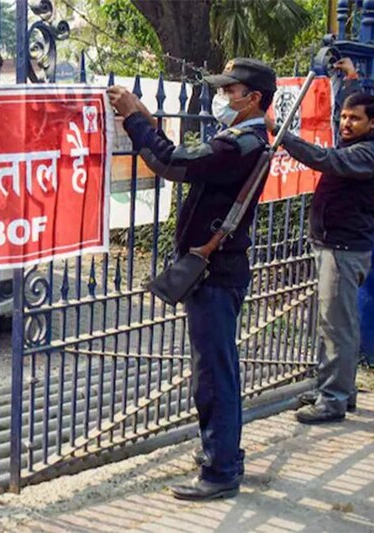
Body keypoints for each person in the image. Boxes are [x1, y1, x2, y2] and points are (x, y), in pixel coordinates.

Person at [108, 58, 276, 501]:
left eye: (230, 91)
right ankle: (225, 456)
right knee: (221, 368)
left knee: (213, 375)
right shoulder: (244, 139)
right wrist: (144, 116)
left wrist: (132, 119)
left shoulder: (238, 145)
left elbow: (170, 161)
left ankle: (220, 471)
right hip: (221, 272)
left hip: (215, 276)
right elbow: (182, 160)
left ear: (253, 98)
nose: (223, 98)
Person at [267, 58, 374, 424]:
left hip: (344, 249)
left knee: (337, 326)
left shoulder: (370, 153)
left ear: (373, 123)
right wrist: (351, 80)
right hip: (334, 244)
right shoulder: (362, 137)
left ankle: (334, 399)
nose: (346, 124)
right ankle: (333, 388)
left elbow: (326, 159)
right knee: (330, 322)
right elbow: (347, 105)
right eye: (344, 118)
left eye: (355, 120)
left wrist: (281, 132)